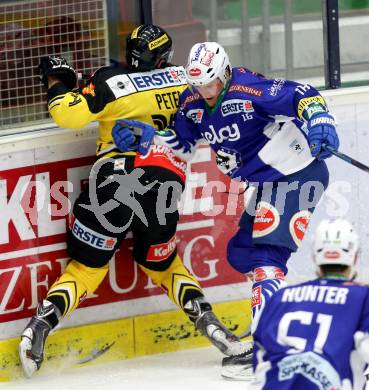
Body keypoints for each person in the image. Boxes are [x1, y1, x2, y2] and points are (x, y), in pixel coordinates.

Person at [19, 28, 247, 378]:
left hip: (115, 179)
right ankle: (213, 326)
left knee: (85, 268)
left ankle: (40, 326)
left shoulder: (110, 79)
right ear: (165, 56)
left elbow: (68, 114)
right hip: (166, 181)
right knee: (164, 264)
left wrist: (57, 81)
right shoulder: (186, 80)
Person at [111, 41, 339, 379]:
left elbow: (302, 93)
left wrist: (321, 119)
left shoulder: (248, 89)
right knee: (242, 252)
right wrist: (149, 137)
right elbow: (183, 143)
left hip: (298, 175)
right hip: (267, 185)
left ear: (226, 74)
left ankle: (269, 350)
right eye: (198, 83)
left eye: (210, 82)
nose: (204, 91)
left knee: (266, 258)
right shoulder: (192, 103)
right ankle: (290, 326)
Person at [250, 219, 369, 389]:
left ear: (314, 258)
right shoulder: (363, 297)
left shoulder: (279, 298)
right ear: (355, 258)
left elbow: (260, 360)